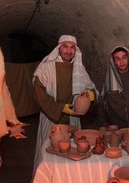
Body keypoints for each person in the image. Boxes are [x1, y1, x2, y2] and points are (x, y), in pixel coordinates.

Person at [32, 35, 98, 172]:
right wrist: (61, 108)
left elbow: (90, 88)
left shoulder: (79, 68)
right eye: (65, 47)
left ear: (76, 50)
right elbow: (39, 94)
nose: (69, 51)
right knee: (49, 155)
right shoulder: (46, 68)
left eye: (72, 47)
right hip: (51, 119)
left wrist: (92, 95)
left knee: (73, 155)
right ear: (58, 48)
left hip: (73, 119)